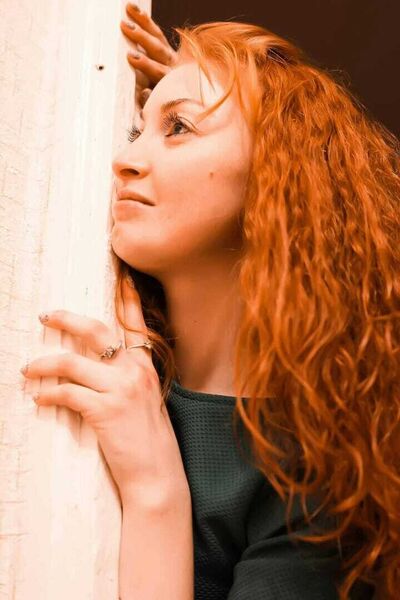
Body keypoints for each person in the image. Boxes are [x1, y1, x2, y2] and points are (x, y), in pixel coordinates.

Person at [111, 3, 400, 598]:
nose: (125, 160)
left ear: (274, 173)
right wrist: (188, 96)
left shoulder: (321, 475)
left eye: (178, 129)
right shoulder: (120, 348)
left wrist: (155, 490)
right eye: (136, 133)